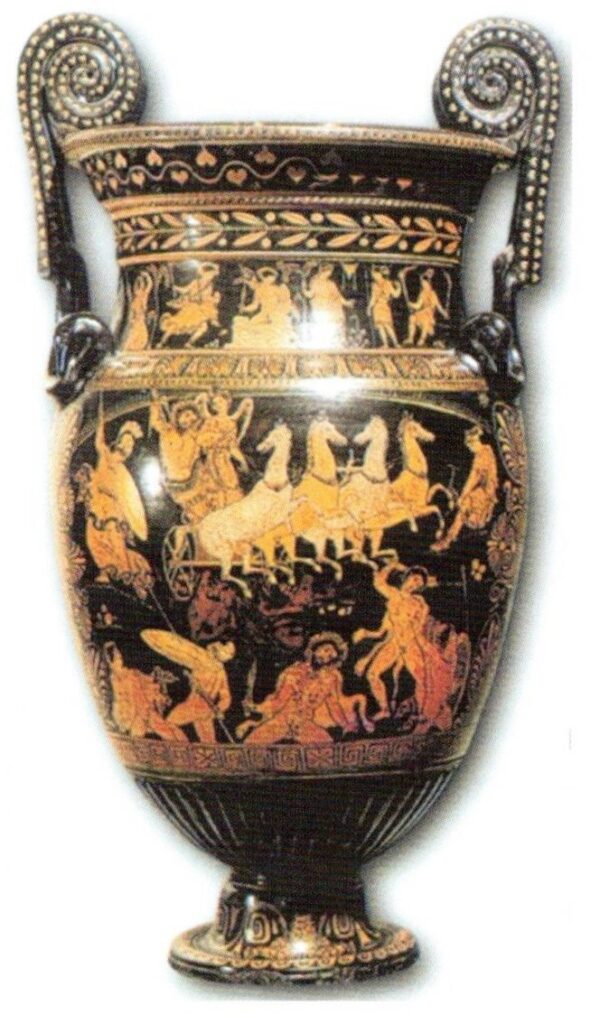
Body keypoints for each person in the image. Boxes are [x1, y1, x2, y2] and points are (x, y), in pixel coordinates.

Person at [353, 562, 468, 730]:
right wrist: (393, 565)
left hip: (411, 643)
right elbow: (379, 584)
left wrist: (409, 645)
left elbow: (418, 627)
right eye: (414, 579)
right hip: (395, 642)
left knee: (421, 677)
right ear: (406, 578)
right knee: (372, 674)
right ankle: (385, 709)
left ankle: (426, 712)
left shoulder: (419, 603)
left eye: (419, 583)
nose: (415, 584)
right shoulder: (394, 595)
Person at [75, 403, 153, 599]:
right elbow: (99, 440)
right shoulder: (104, 455)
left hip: (112, 510)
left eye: (130, 447)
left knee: (115, 541)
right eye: (124, 442)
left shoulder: (122, 474)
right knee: (93, 538)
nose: (126, 448)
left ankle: (129, 573)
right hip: (97, 506)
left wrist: (111, 492)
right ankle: (105, 570)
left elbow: (125, 497)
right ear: (117, 441)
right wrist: (101, 418)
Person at [238, 633, 369, 744]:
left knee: (327, 747)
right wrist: (256, 708)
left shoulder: (331, 679)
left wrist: (346, 725)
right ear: (315, 650)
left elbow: (334, 706)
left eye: (330, 657)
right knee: (251, 745)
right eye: (325, 651)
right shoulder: (294, 672)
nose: (326, 658)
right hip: (283, 721)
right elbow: (278, 701)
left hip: (304, 724)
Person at [431, 425, 498, 552]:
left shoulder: (482, 455)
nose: (470, 449)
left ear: (474, 442)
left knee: (465, 503)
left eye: (470, 446)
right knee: (463, 501)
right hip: (484, 491)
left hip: (485, 494)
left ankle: (448, 540)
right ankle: (447, 536)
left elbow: (473, 478)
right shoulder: (486, 452)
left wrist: (463, 496)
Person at [104, 642, 187, 742]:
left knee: (165, 728)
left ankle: (182, 745)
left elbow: (148, 684)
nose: (120, 659)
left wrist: (160, 696)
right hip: (131, 715)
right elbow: (117, 700)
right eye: (117, 657)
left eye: (119, 656)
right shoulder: (112, 679)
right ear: (111, 661)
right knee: (136, 737)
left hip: (145, 710)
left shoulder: (132, 673)